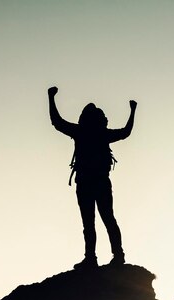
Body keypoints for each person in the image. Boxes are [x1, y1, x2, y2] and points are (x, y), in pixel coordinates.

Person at [48, 86, 137, 269]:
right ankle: (113, 256)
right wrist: (133, 110)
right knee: (105, 219)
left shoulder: (80, 132)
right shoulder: (102, 134)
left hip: (88, 182)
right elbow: (126, 131)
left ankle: (93, 258)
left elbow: (57, 122)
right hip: (99, 182)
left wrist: (51, 98)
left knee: (92, 222)